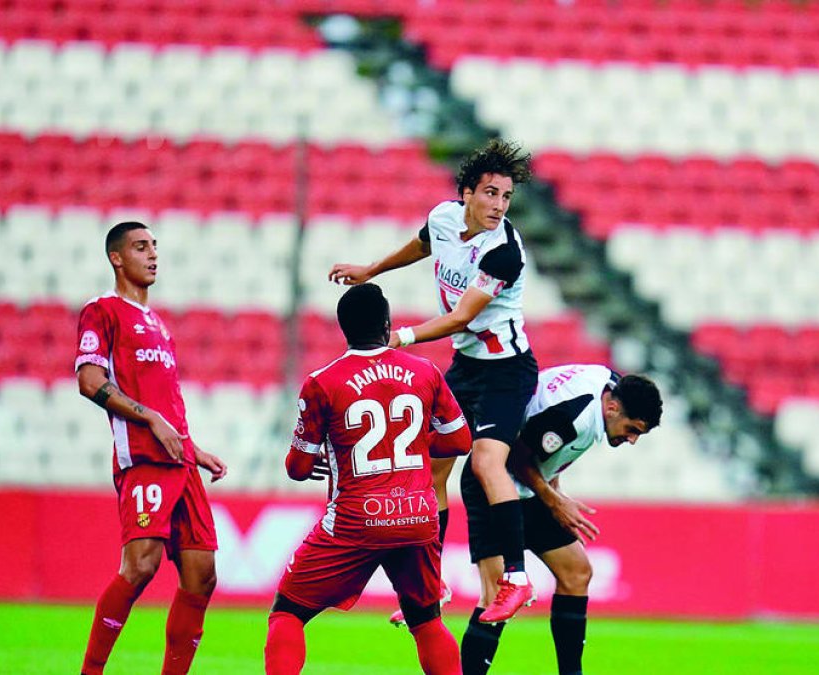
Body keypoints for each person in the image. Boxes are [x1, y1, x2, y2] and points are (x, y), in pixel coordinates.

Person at [329, 138, 540, 623]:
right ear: (466, 193)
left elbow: (463, 317)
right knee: (431, 472)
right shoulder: (445, 218)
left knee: (488, 463)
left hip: (507, 371)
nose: (498, 205)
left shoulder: (504, 251)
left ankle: (516, 578)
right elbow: (420, 245)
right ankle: (431, 582)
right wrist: (371, 270)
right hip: (467, 369)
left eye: (506, 197)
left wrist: (398, 338)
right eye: (490, 193)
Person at [264, 283, 473, 675]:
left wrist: (333, 451)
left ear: (345, 330)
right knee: (426, 621)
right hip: (416, 516)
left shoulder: (322, 381)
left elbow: (297, 468)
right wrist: (410, 449)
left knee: (287, 612)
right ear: (388, 323)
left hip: (356, 519)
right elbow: (460, 441)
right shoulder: (424, 371)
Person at [76, 221, 228, 675]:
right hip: (143, 460)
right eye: (141, 247)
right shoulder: (102, 310)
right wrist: (149, 419)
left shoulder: (160, 325)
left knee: (202, 576)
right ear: (116, 258)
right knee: (141, 565)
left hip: (179, 461)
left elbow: (168, 401)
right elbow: (89, 380)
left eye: (155, 246)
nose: (153, 254)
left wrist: (191, 446)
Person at [458, 364, 662, 675]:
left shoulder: (607, 387)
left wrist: (555, 492)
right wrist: (554, 502)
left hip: (530, 485)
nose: (632, 440)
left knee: (577, 572)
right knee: (496, 594)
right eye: (632, 429)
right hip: (493, 482)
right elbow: (515, 456)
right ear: (612, 407)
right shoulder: (574, 416)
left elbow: (539, 438)